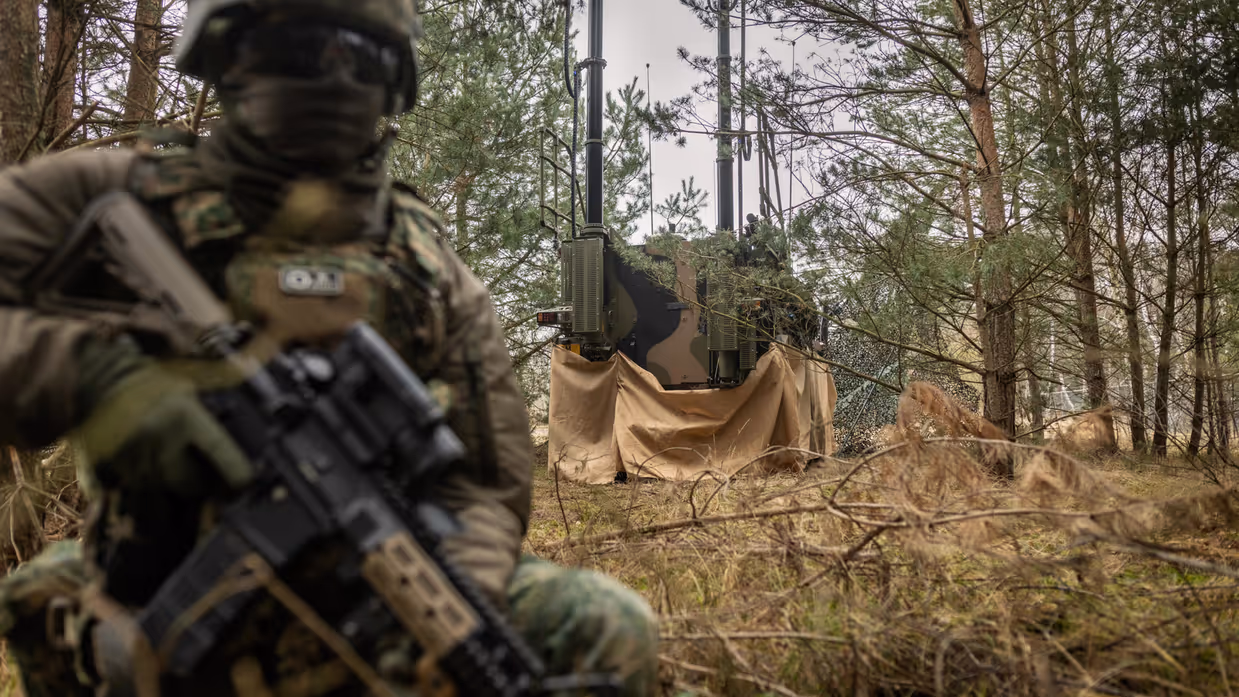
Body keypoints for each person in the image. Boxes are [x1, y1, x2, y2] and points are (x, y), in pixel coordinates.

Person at [0, 0, 658, 694]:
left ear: (393, 80)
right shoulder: (113, 197)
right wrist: (101, 379)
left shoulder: (424, 263)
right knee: (56, 595)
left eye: (360, 56)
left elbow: (484, 485)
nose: (329, 78)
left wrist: (446, 599)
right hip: (161, 592)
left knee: (605, 624)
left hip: (370, 608)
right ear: (227, 58)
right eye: (298, 49)